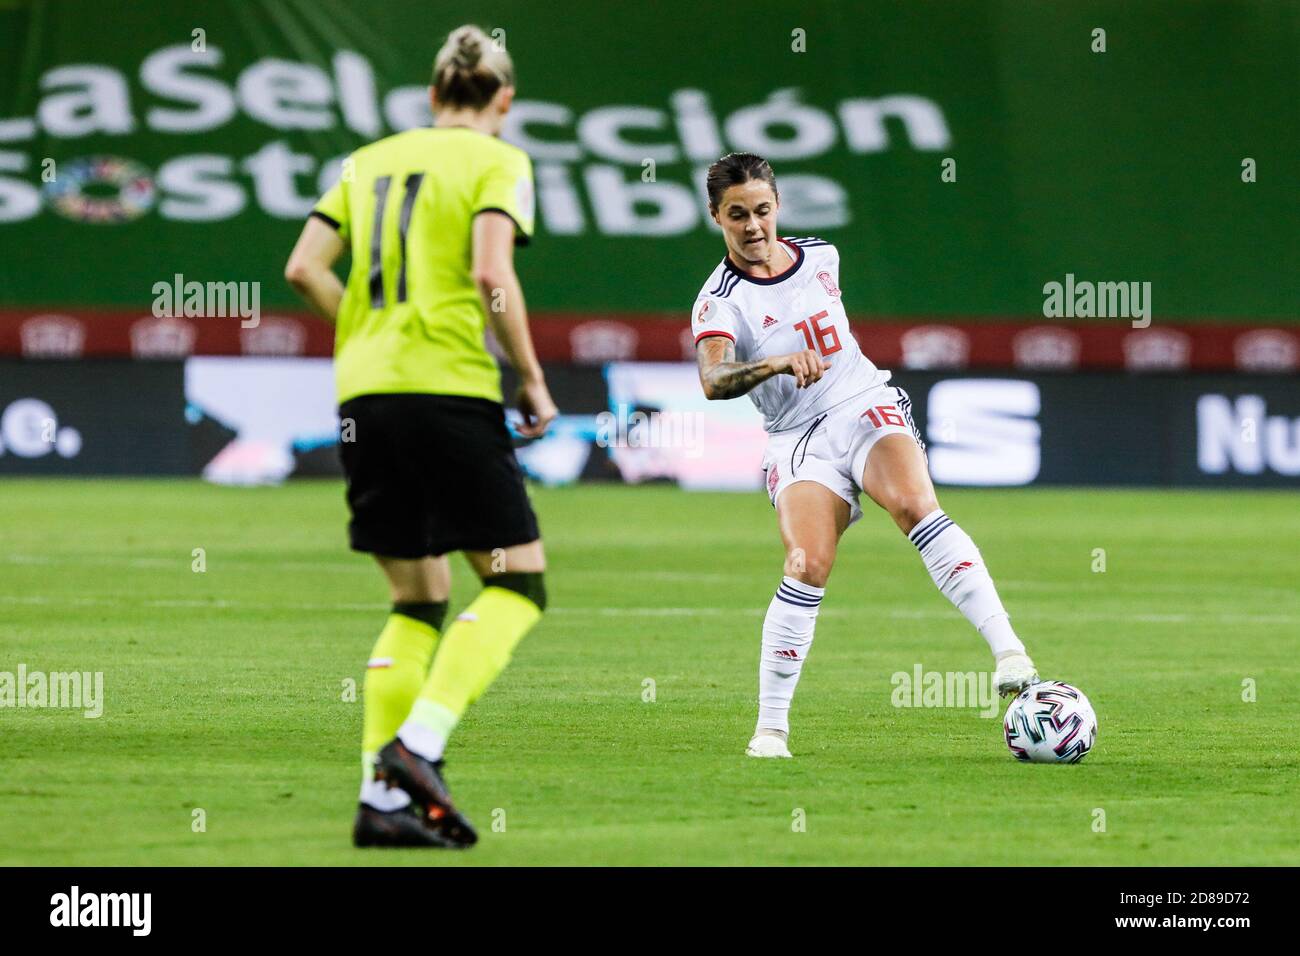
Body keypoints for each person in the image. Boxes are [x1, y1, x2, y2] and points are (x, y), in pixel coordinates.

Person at [284, 24, 556, 846]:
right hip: (446, 389)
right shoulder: (499, 161)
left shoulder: (365, 161)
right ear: (502, 100)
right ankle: (418, 748)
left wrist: (367, 327)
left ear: (433, 96)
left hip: (366, 392)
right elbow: (489, 274)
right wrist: (532, 377)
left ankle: (383, 803)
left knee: (418, 596)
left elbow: (303, 267)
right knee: (517, 583)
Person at [690, 152, 1038, 759]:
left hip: (860, 402)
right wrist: (774, 362)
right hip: (796, 438)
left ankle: (1010, 653)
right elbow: (713, 381)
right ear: (716, 216)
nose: (753, 227)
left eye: (762, 210)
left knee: (913, 505)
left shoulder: (822, 257)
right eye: (737, 214)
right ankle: (771, 730)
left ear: (778, 206)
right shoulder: (719, 301)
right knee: (806, 565)